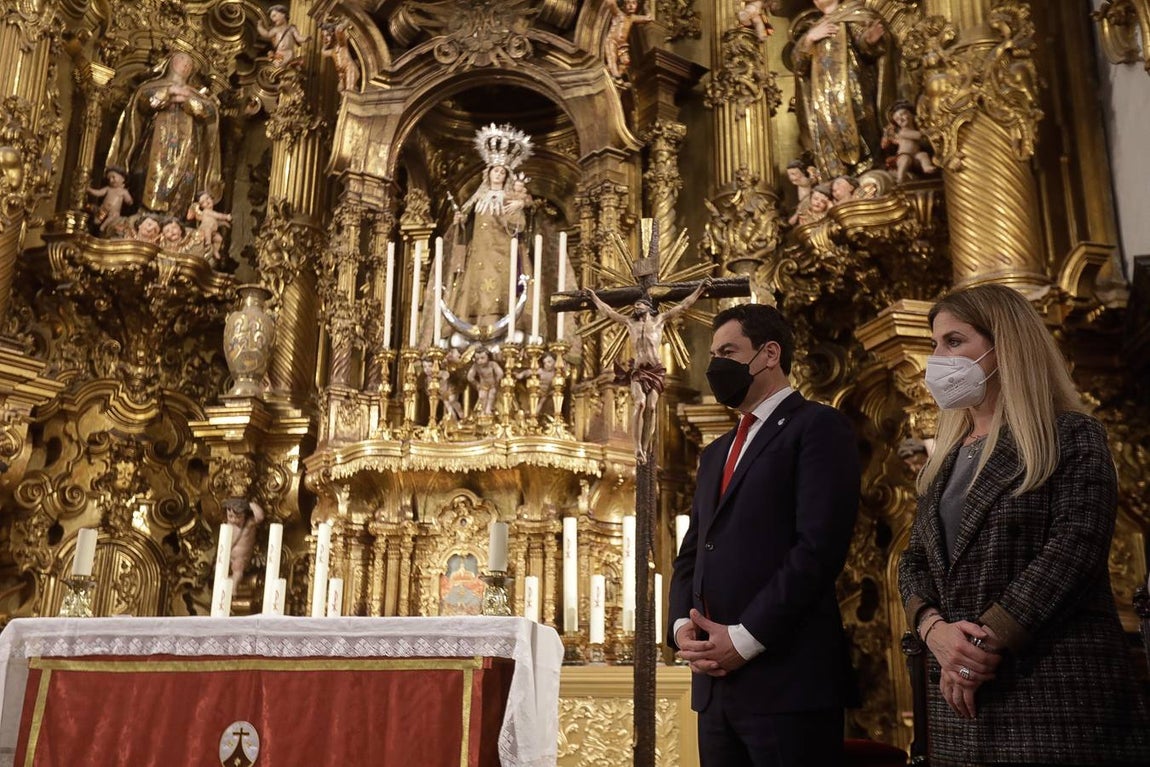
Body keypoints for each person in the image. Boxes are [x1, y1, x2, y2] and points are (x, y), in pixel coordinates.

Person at [897, 284, 1150, 765]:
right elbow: (913, 561)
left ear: (1005, 345)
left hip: (1051, 690)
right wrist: (935, 632)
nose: (937, 359)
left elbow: (1073, 550)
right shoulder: (945, 459)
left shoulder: (1072, 435)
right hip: (959, 706)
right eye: (934, 344)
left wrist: (977, 646)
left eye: (954, 342)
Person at [669, 302, 860, 766]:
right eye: (713, 354)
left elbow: (817, 549)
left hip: (787, 682)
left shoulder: (817, 426)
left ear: (770, 353)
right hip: (715, 688)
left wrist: (746, 637)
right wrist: (682, 628)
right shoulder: (715, 452)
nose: (716, 365)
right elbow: (692, 552)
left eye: (728, 351)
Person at [587, 277, 711, 464]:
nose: (636, 307)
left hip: (655, 370)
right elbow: (609, 312)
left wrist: (700, 288)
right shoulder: (631, 323)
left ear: (648, 306)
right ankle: (637, 447)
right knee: (640, 404)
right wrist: (595, 298)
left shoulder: (659, 320)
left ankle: (645, 446)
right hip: (638, 370)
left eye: (640, 305)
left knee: (652, 407)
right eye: (635, 305)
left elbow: (683, 306)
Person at [105, 52, 222, 218]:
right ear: (170, 63)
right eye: (181, 60)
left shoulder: (196, 95)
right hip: (156, 145)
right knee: (149, 175)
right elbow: (143, 103)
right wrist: (167, 94)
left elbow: (210, 113)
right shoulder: (152, 87)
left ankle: (176, 220)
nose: (185, 65)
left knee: (184, 182)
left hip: (187, 151)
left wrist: (188, 101)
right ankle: (145, 215)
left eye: (189, 63)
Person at [445, 124, 533, 330]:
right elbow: (465, 222)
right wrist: (459, 220)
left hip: (503, 252)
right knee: (474, 286)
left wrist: (521, 205)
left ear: (506, 176)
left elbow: (519, 227)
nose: (498, 175)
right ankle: (475, 323)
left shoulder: (510, 198)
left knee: (502, 286)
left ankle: (501, 323)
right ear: (489, 173)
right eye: (496, 171)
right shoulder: (479, 197)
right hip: (479, 253)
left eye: (502, 172)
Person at [791, 0, 888, 179]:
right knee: (826, 133)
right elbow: (799, 65)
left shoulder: (854, 15)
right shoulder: (813, 29)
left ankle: (867, 172)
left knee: (860, 122)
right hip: (822, 99)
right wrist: (810, 38)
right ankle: (835, 178)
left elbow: (868, 48)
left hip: (852, 87)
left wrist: (869, 40)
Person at [882, 101, 936, 183]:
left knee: (923, 155)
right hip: (903, 155)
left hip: (915, 155)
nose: (901, 119)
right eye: (897, 119)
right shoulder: (903, 132)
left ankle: (927, 167)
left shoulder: (913, 129)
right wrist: (928, 131)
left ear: (911, 114)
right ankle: (900, 177)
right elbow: (918, 135)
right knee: (906, 159)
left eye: (903, 114)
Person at [604, 0, 655, 81]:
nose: (631, 6)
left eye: (634, 3)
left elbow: (649, 18)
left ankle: (616, 77)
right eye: (628, 3)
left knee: (626, 61)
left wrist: (646, 6)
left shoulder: (633, 18)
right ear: (624, 5)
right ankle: (614, 75)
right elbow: (611, 3)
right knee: (612, 59)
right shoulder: (618, 14)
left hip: (622, 44)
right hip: (612, 41)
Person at [224, 497, 266, 580]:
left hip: (241, 557)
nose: (233, 519)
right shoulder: (228, 524)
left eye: (238, 517)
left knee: (237, 568)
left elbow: (260, 517)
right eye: (230, 516)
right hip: (227, 555)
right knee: (220, 569)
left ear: (245, 515)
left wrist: (250, 504)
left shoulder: (248, 524)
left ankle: (233, 589)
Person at [187, 191, 232, 261]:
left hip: (213, 232)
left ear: (211, 198)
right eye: (203, 202)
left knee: (219, 239)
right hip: (205, 230)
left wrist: (224, 223)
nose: (207, 202)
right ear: (201, 206)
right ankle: (208, 245)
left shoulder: (209, 213)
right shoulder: (206, 211)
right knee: (208, 232)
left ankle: (215, 250)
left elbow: (216, 222)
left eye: (207, 198)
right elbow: (218, 216)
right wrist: (226, 217)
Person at [88, 167, 133, 234]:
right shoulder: (108, 188)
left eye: (113, 177)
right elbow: (99, 193)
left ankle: (102, 228)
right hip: (103, 209)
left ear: (122, 178)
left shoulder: (124, 192)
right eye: (109, 179)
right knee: (96, 221)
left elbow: (129, 200)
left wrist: (129, 201)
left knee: (110, 219)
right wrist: (90, 190)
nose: (111, 180)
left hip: (114, 212)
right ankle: (94, 229)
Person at [467, 348, 503, 416]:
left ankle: (488, 409)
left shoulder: (493, 364)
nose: (480, 361)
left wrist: (497, 380)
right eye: (477, 359)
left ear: (488, 357)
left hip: (493, 385)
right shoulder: (476, 366)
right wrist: (477, 384)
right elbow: (469, 377)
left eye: (482, 358)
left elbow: (500, 373)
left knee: (491, 395)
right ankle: (483, 410)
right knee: (482, 396)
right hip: (483, 386)